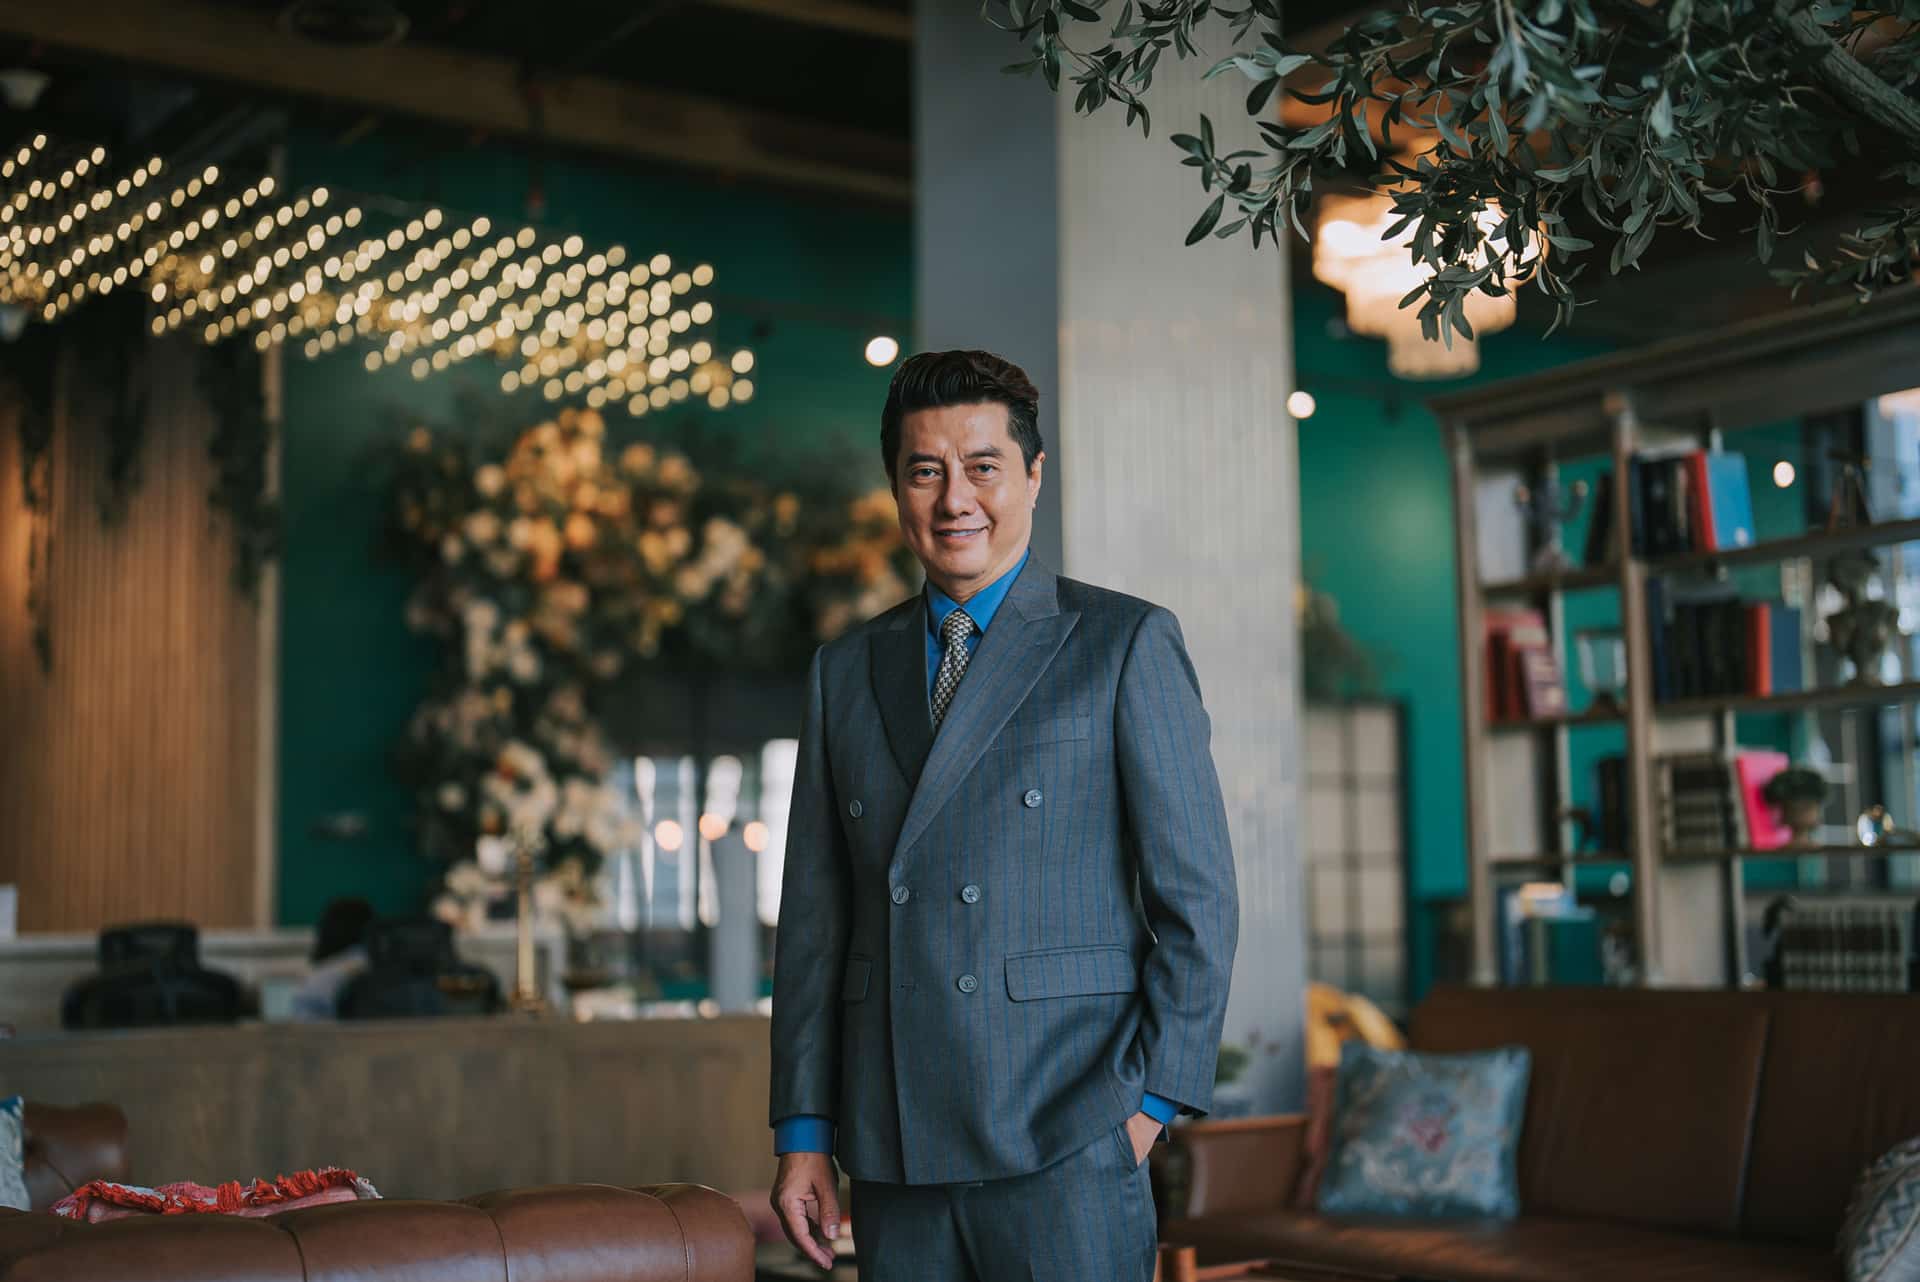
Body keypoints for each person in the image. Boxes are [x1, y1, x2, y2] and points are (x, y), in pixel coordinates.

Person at [769, 350, 1240, 1282]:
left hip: (1065, 1132)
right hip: (894, 1138)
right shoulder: (846, 671)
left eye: (983, 466)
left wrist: (1147, 1109)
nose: (956, 500)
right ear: (897, 489)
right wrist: (803, 1131)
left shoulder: (1122, 643)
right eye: (925, 470)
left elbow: (1200, 901)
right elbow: (818, 926)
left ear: (1032, 475)